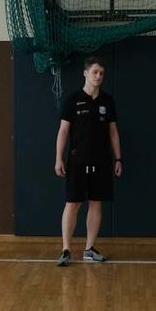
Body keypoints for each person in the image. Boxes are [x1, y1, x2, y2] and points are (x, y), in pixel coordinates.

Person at [54, 57, 122, 266]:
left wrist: (118, 158)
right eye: (95, 72)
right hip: (77, 159)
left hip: (101, 160)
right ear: (85, 73)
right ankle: (66, 250)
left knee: (96, 204)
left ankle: (89, 249)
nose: (99, 76)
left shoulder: (107, 101)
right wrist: (58, 158)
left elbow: (113, 131)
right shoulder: (73, 99)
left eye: (101, 73)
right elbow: (63, 131)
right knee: (73, 203)